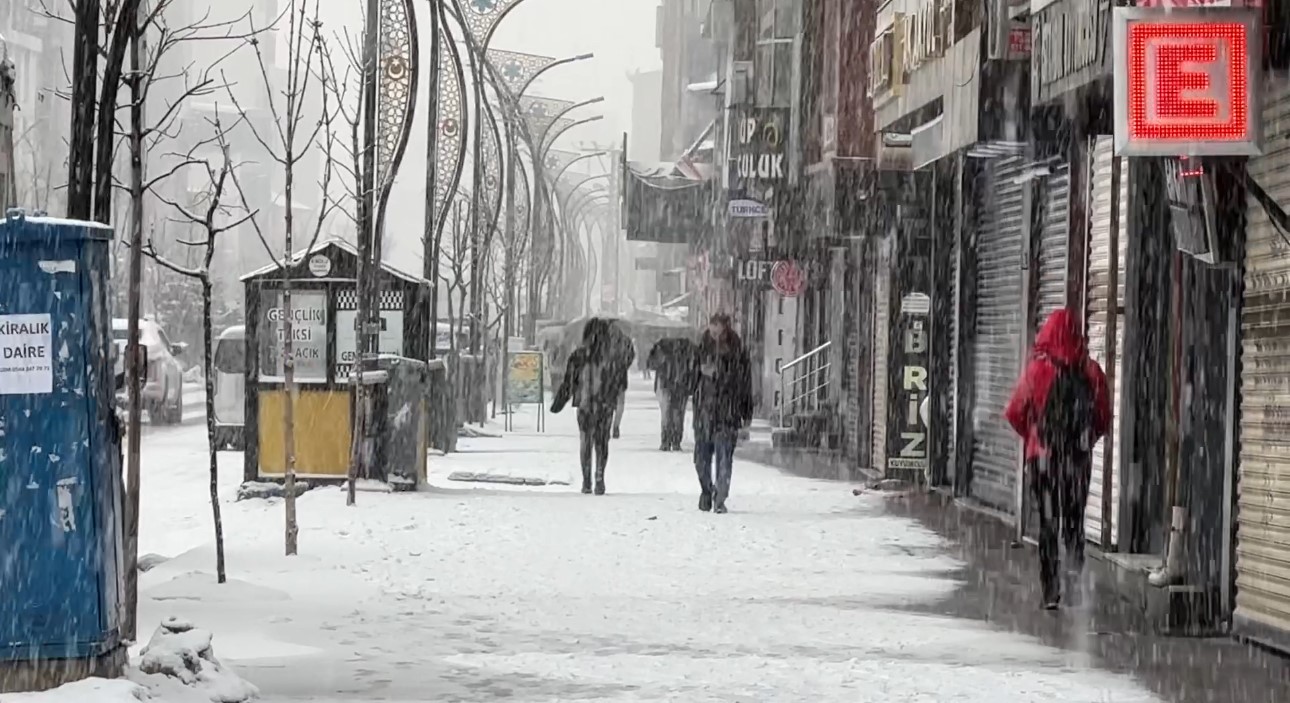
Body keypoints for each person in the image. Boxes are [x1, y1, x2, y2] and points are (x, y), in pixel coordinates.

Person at [1005, 308, 1111, 610]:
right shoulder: (1091, 371)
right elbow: (1103, 415)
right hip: (1076, 460)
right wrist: (1083, 441)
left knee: (1048, 523)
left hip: (1043, 460)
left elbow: (1014, 412)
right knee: (1074, 525)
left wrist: (1035, 436)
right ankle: (1076, 587)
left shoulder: (1037, 370)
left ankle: (1051, 591)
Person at [551, 318, 627, 495]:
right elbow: (621, 383)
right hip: (605, 406)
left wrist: (559, 403)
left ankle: (586, 480)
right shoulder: (613, 358)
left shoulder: (578, 356)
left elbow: (569, 383)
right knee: (602, 442)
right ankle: (600, 475)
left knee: (585, 441)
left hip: (585, 405)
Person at [691, 314, 753, 514]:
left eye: (718, 327)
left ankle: (720, 498)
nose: (715, 330)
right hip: (704, 412)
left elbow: (745, 383)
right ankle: (707, 490)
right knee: (701, 458)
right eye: (712, 326)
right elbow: (691, 377)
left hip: (728, 412)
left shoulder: (737, 350)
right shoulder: (702, 347)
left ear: (725, 327)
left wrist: (746, 413)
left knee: (724, 457)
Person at [646, 337, 697, 451]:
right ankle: (672, 441)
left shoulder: (687, 347)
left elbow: (650, 364)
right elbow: (651, 364)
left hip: (673, 384)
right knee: (674, 413)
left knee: (672, 414)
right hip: (673, 384)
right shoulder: (663, 346)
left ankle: (670, 440)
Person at [606, 321, 636, 439]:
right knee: (620, 403)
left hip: (607, 377)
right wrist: (624, 366)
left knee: (607, 403)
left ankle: (607, 426)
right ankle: (616, 426)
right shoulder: (626, 341)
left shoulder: (604, 341)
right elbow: (631, 356)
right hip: (621, 376)